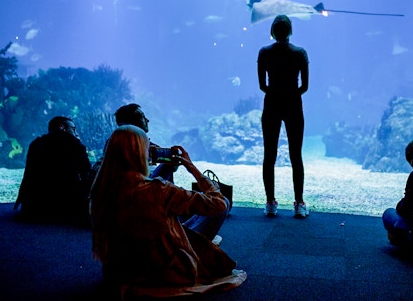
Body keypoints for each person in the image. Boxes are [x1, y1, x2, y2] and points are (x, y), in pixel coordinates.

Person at [90, 125, 246, 297]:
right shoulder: (158, 190)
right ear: (140, 153)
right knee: (223, 203)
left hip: (123, 270)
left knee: (174, 221)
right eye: (148, 148)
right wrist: (192, 168)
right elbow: (218, 204)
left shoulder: (101, 189)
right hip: (166, 270)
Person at [257, 14, 309, 218]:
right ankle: (299, 203)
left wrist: (275, 93)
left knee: (269, 155)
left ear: (272, 31)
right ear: (290, 31)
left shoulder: (264, 52)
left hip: (271, 104)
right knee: (296, 155)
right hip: (293, 105)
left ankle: (270, 202)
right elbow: (304, 86)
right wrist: (290, 94)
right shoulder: (300, 53)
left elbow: (262, 85)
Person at [14, 116, 92, 225]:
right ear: (62, 127)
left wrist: (21, 199)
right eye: (73, 129)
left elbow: (28, 175)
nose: (76, 133)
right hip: (65, 206)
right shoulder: (75, 144)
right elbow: (86, 173)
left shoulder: (36, 144)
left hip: (35, 206)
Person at [114, 103, 177, 182]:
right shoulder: (118, 143)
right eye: (142, 117)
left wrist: (172, 163)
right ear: (131, 122)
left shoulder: (144, 142)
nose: (147, 120)